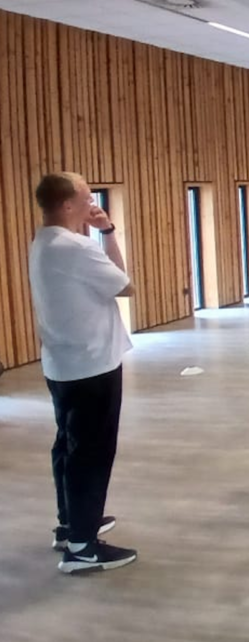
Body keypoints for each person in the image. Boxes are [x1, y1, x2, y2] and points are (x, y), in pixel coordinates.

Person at [29, 172, 136, 573]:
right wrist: (107, 232)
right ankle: (82, 547)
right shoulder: (75, 247)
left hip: (62, 364)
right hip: (93, 366)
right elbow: (125, 286)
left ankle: (71, 525)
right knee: (91, 454)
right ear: (68, 205)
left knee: (69, 446)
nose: (93, 202)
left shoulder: (43, 242)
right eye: (88, 197)